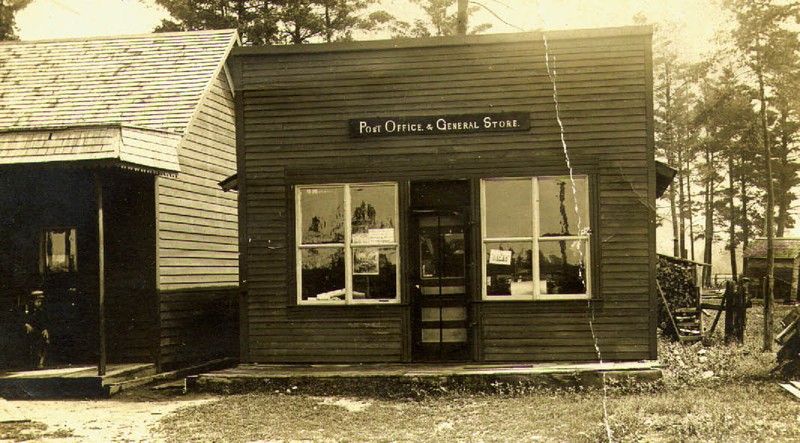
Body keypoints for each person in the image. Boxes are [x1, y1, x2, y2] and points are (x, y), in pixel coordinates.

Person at [24, 290, 50, 369]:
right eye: (37, 301)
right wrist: (26, 324)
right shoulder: (27, 310)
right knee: (33, 345)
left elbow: (44, 320)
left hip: (39, 331)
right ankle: (33, 362)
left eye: (40, 302)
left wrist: (45, 329)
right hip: (30, 331)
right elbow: (21, 319)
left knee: (44, 342)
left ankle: (41, 362)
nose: (39, 303)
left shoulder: (41, 311)